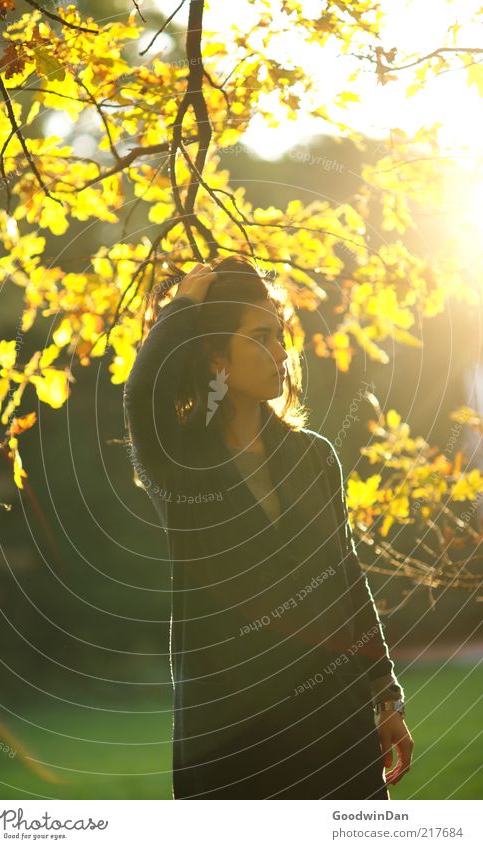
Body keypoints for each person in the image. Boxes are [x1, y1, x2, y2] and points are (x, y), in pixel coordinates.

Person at [123, 255, 414, 799]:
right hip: (236, 745)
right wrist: (181, 308)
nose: (282, 352)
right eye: (261, 337)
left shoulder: (314, 458)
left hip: (338, 730)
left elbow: (347, 578)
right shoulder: (180, 466)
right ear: (216, 358)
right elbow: (143, 398)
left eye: (280, 336)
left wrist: (385, 691)